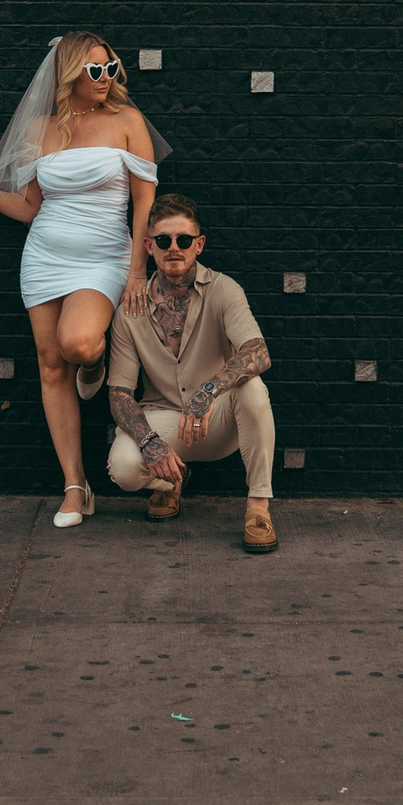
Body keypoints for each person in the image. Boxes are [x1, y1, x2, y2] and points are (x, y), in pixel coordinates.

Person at [0, 32, 165, 529]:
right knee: (49, 365)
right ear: (69, 74)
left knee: (77, 344)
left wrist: (139, 270)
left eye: (111, 68)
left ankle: (93, 365)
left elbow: (144, 202)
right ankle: (76, 487)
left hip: (104, 256)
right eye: (94, 70)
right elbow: (32, 207)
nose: (105, 79)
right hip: (45, 256)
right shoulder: (43, 127)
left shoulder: (127, 122)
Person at [104, 194, 278, 553]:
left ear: (198, 245)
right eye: (164, 241)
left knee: (254, 388)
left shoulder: (224, 289)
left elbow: (258, 352)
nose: (174, 248)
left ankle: (258, 507)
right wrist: (150, 443)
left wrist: (208, 391)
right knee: (122, 465)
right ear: (149, 246)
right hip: (165, 423)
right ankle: (170, 483)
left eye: (183, 240)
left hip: (218, 419)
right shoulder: (129, 311)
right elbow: (119, 393)